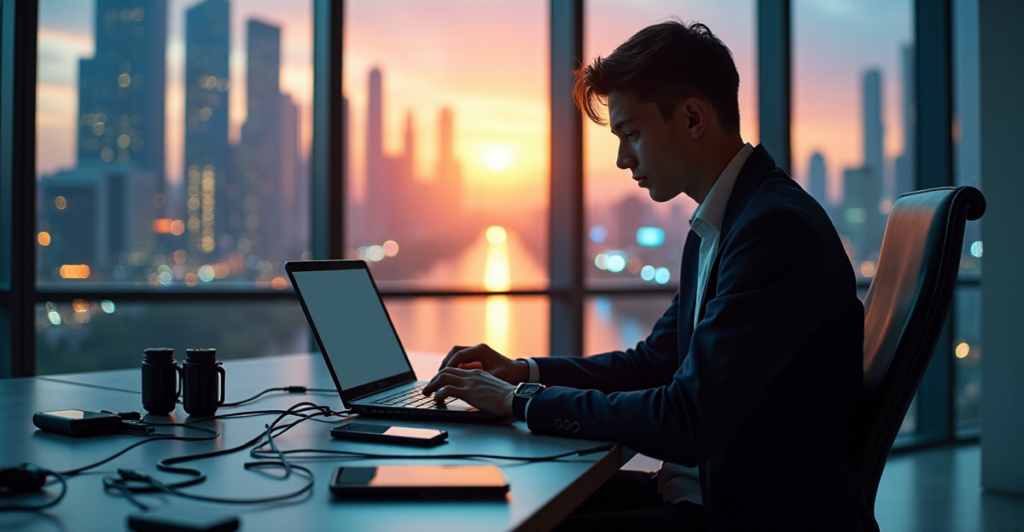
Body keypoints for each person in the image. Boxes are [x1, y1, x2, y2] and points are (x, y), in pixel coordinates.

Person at [422, 20, 877, 532]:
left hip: (746, 515)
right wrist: (523, 372)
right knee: (500, 497)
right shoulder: (723, 224)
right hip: (703, 489)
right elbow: (653, 365)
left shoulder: (773, 231)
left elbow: (687, 418)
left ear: (692, 118)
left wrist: (519, 401)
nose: (622, 159)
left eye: (632, 134)